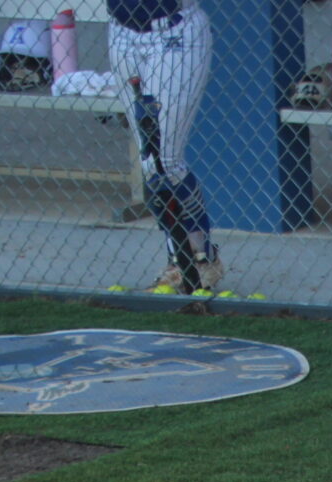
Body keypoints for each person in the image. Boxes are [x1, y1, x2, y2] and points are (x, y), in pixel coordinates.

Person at [107, 0, 221, 292]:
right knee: (150, 163)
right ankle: (180, 261)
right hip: (120, 31)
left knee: (165, 161)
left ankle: (199, 257)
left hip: (173, 30)